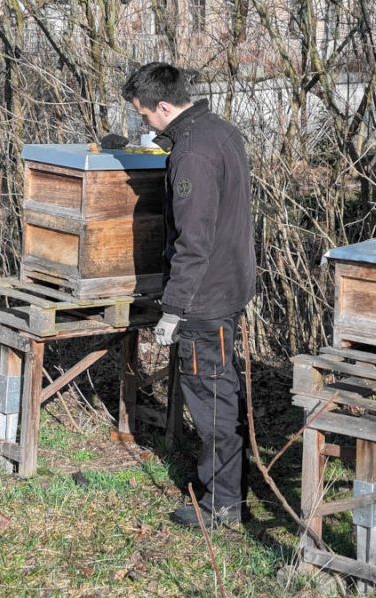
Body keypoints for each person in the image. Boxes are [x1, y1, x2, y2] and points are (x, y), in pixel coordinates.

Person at [121, 63, 256, 528]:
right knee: (221, 387)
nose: (145, 124)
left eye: (144, 116)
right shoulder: (217, 131)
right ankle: (228, 487)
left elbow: (193, 240)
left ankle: (222, 506)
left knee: (211, 395)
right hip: (227, 284)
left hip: (205, 298)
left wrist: (174, 309)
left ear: (163, 105)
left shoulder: (193, 155)